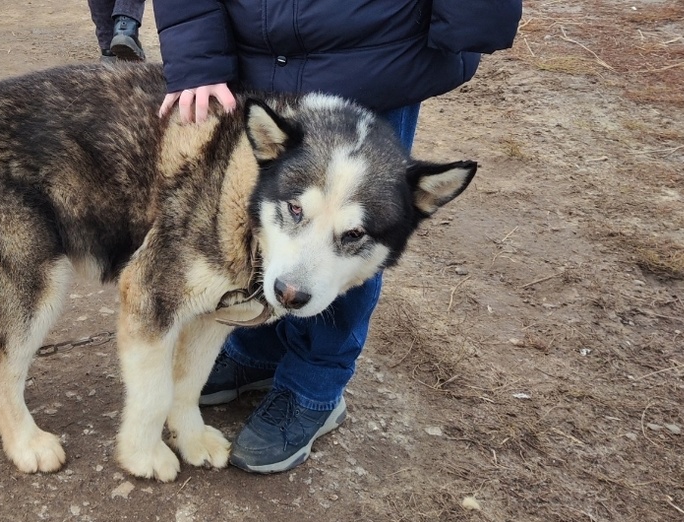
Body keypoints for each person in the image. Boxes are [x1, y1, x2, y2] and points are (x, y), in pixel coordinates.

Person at [154, 0, 523, 473]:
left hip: (379, 51)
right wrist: (197, 54)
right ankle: (258, 352)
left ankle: (315, 384)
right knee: (279, 224)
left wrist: (468, 22)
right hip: (258, 50)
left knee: (356, 228)